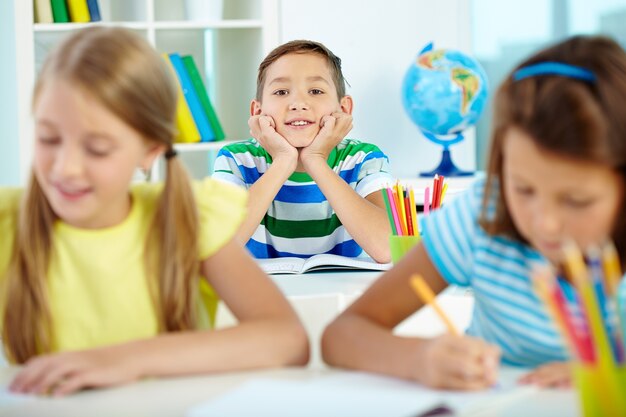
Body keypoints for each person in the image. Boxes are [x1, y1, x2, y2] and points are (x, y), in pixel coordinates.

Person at [0, 27, 308, 396]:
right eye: (49, 138)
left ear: (150, 149)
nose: (65, 167)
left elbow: (287, 339)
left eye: (97, 148)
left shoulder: (186, 221)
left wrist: (125, 359)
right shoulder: (8, 222)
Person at [321, 35, 626, 390]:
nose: (546, 223)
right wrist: (419, 359)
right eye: (523, 189)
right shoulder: (482, 216)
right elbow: (342, 336)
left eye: (576, 200)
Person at [213, 40, 394, 262]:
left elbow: (387, 247)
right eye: (281, 92)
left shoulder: (365, 158)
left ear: (343, 108)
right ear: (258, 111)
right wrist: (282, 162)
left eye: (316, 91)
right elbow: (216, 247)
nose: (298, 103)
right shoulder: (235, 159)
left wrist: (315, 160)